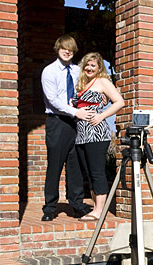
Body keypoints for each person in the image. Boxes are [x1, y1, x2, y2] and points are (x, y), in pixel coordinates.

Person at [40, 35, 93, 222]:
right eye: (64, 47)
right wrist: (74, 112)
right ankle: (49, 208)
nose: (68, 51)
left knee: (75, 165)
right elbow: (53, 100)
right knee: (55, 166)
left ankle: (77, 205)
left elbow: (87, 90)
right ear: (58, 48)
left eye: (71, 48)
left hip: (76, 123)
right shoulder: (49, 71)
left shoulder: (78, 71)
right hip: (58, 122)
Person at [72, 52, 124, 221]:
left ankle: (99, 211)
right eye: (87, 65)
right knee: (88, 172)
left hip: (96, 134)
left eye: (93, 65)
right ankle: (96, 207)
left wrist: (101, 116)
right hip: (81, 135)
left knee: (97, 172)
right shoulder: (82, 84)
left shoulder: (102, 82)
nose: (89, 68)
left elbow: (119, 102)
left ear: (99, 67)